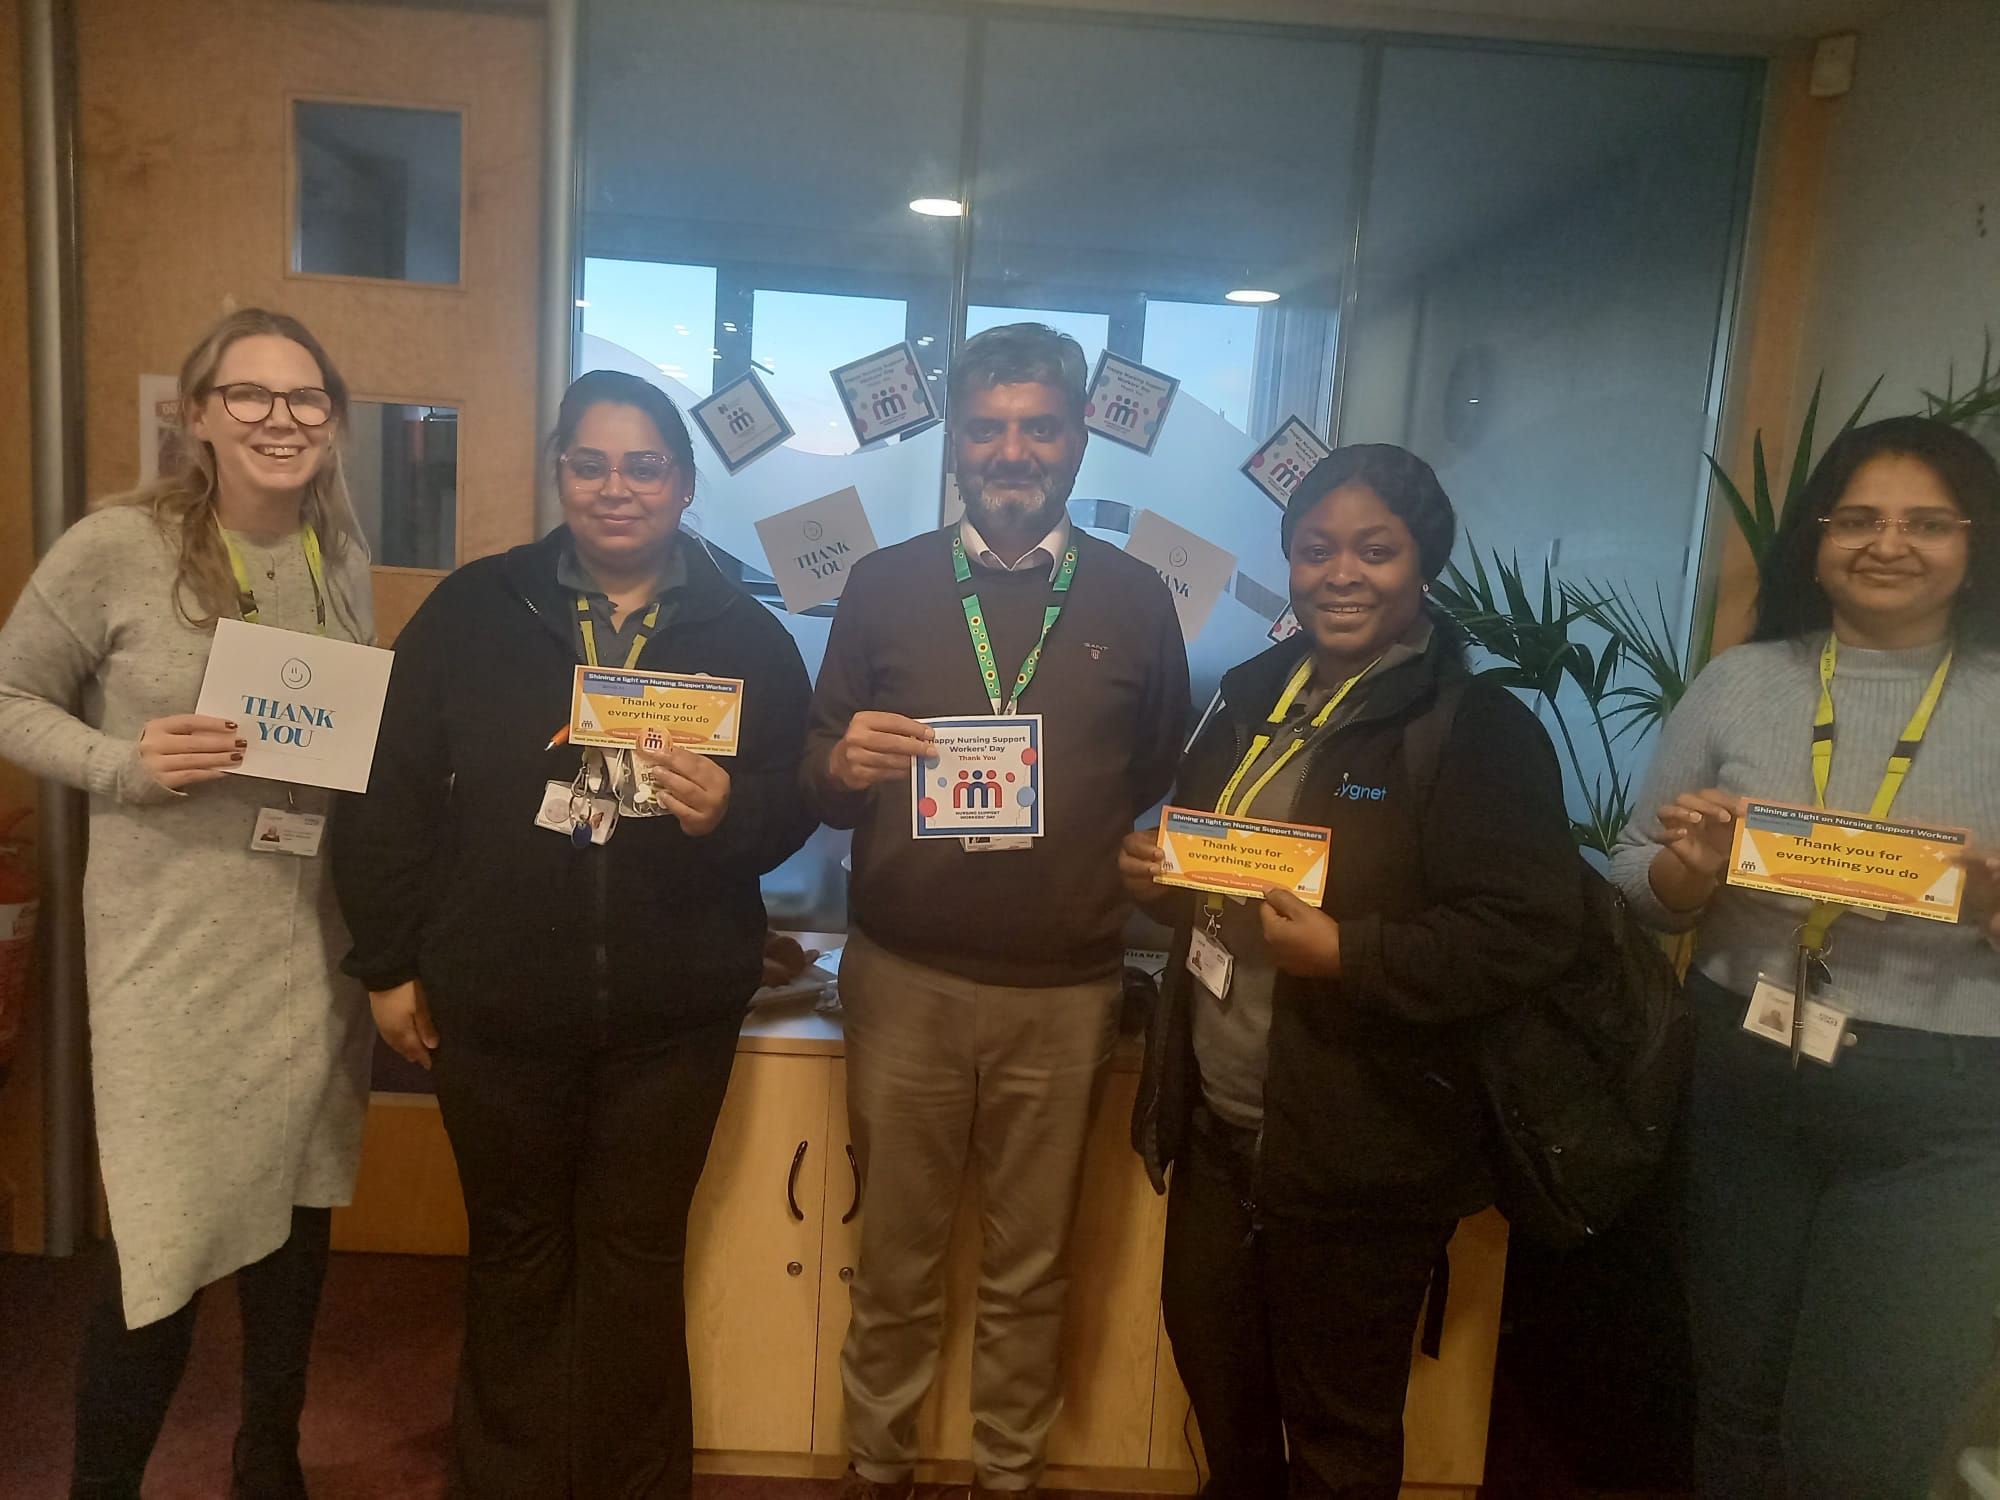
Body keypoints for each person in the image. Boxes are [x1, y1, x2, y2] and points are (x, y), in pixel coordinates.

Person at [331, 369, 816, 1499]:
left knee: (637, 1260)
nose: (615, 488)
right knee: (514, 1255)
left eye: (643, 466)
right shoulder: (474, 610)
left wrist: (731, 811)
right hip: (498, 1006)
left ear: (683, 485)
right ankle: (503, 1480)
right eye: (589, 464)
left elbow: (792, 805)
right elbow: (390, 791)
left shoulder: (747, 634)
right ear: (559, 473)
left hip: (672, 1018)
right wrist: (387, 963)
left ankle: (630, 1483)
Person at [1122, 445, 1583, 1499]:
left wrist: (1350, 952)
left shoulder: (1475, 729)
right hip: (1220, 1130)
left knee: (1338, 1437)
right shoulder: (1248, 695)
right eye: (1315, 548)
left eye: (1375, 551)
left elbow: (1526, 931)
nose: (1341, 574)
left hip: (1362, 1153)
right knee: (1225, 1409)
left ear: (1423, 565)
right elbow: (1214, 871)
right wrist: (1155, 875)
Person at [801, 323, 1191, 1499]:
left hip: (1065, 994)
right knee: (894, 1259)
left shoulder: (1134, 597)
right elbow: (816, 765)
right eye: (986, 428)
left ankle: (1008, 1474)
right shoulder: (883, 585)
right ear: (954, 444)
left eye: (1038, 428)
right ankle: (877, 1468)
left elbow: (1151, 764)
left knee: (1031, 1268)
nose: (1011, 450)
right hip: (902, 982)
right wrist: (842, 763)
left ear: (1076, 441)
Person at [0, 308, 374, 1499]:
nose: (280, 418)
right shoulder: (117, 546)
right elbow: (9, 697)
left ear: (333, 420)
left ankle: (270, 1455)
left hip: (305, 946)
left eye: (305, 398)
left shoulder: (337, 555)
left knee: (297, 1213)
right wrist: (124, 764)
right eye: (249, 394)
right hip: (169, 956)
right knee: (160, 1244)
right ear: (197, 413)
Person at [1608, 414, 2000, 1499]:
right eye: (1857, 519)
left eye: (1926, 523)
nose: (1887, 544)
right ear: (1816, 541)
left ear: (1975, 544)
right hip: (1743, 1075)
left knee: (1862, 1447)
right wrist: (1689, 870)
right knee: (1733, 1410)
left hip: (1944, 1113)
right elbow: (1633, 876)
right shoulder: (1741, 682)